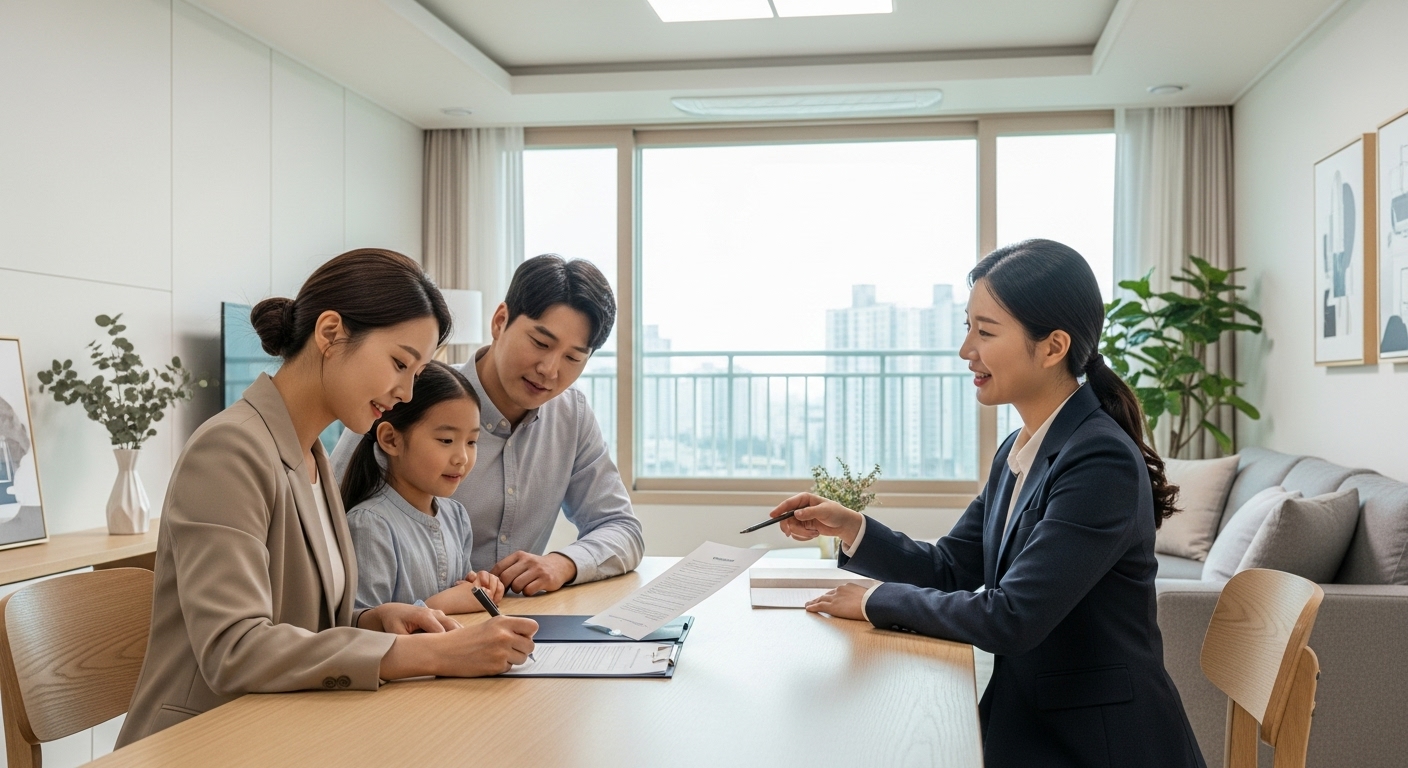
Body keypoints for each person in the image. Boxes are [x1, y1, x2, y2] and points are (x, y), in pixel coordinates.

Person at [769, 239, 1206, 767]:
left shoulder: (1099, 462)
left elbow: (1012, 617)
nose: (966, 351)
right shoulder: (1020, 448)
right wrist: (850, 526)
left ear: (1052, 347)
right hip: (1028, 719)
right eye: (967, 328)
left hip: (1094, 743)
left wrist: (871, 600)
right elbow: (951, 567)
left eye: (986, 331)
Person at [118, 249, 537, 747]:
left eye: (416, 374)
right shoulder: (228, 450)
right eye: (400, 363)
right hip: (203, 744)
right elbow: (235, 647)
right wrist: (430, 655)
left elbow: (295, 623)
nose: (405, 393)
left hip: (286, 732)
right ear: (331, 333)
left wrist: (371, 620)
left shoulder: (312, 455)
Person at [331, 254, 643, 596]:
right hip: (416, 631)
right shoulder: (409, 395)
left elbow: (621, 528)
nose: (550, 370)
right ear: (500, 321)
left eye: (573, 358)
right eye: (540, 343)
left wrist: (563, 564)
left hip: (521, 623)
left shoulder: (572, 416)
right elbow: (331, 522)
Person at [342, 360, 506, 613]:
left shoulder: (456, 516)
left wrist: (478, 586)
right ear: (391, 439)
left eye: (472, 441)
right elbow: (360, 629)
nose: (462, 457)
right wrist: (438, 606)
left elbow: (460, 590)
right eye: (446, 440)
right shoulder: (370, 524)